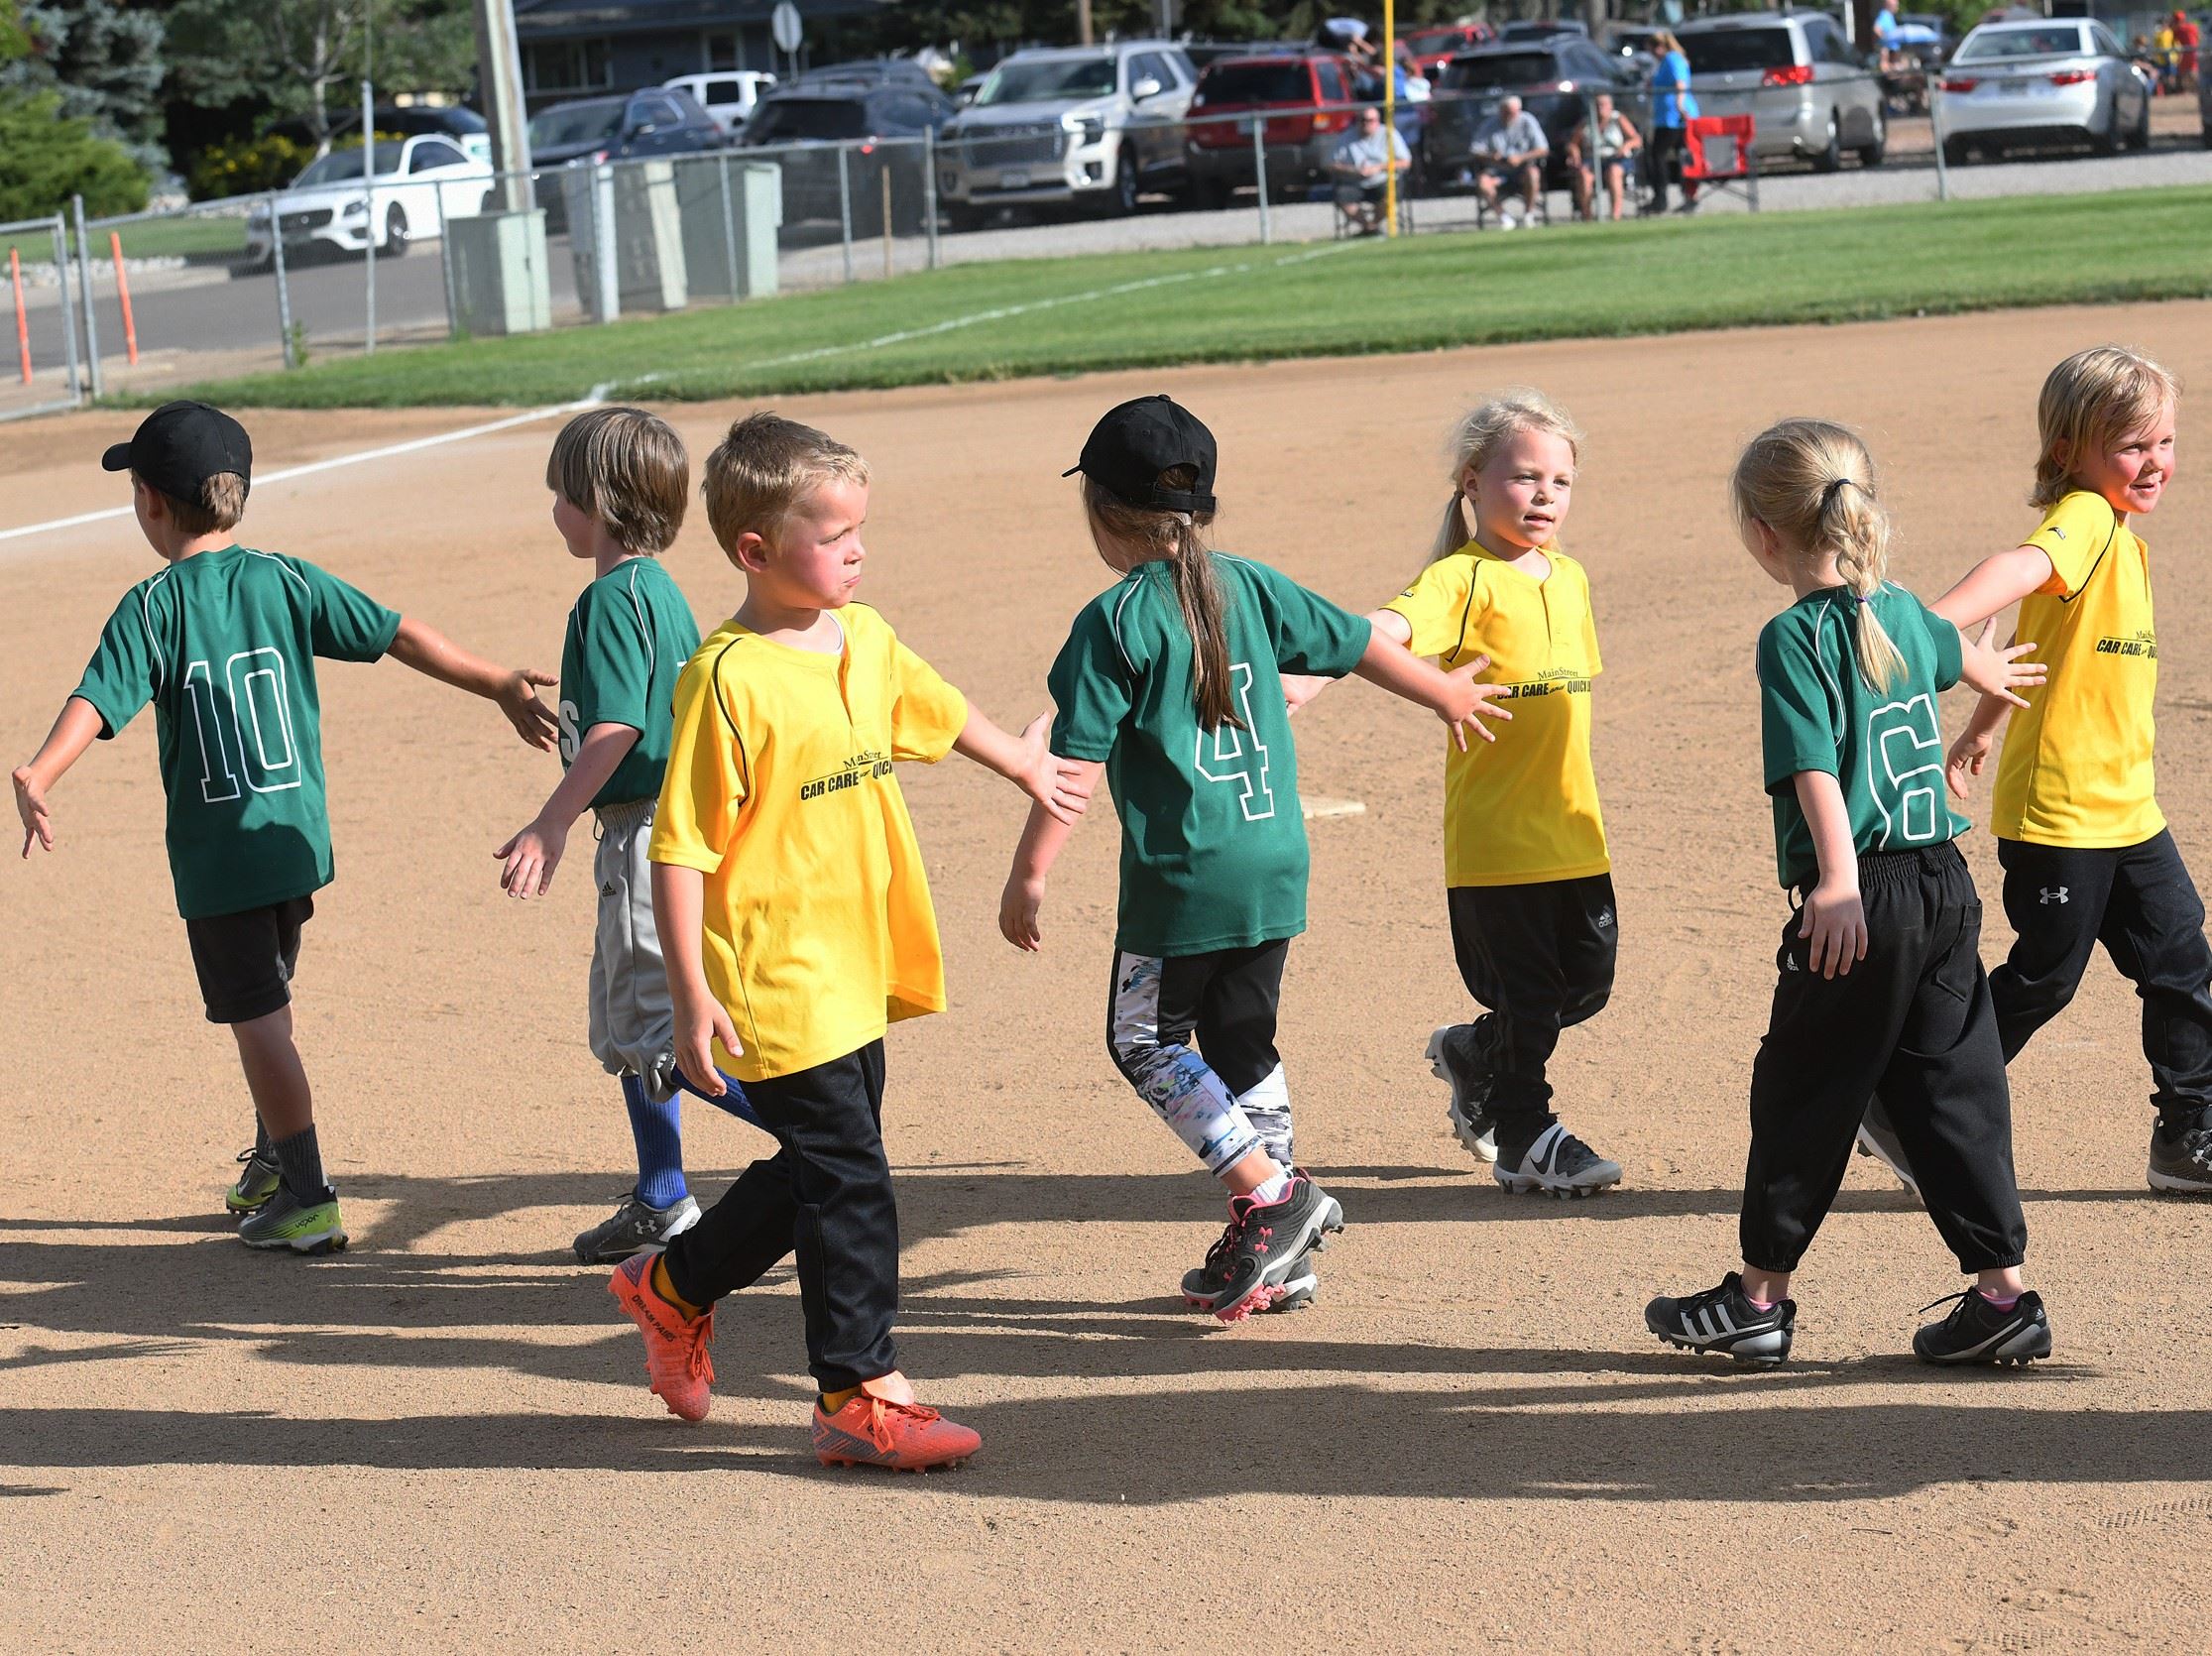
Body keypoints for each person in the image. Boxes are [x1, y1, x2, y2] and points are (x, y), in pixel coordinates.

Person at [606, 412, 1086, 1473]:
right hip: (775, 970)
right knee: (852, 1175)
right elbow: (678, 849)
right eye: (832, 534)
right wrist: (688, 993)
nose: (857, 549)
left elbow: (937, 704)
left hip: (858, 952)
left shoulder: (860, 637)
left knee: (825, 1161)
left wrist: (1020, 763)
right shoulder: (725, 677)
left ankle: (672, 1284)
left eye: (859, 527)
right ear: (754, 550)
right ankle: (855, 1389)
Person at [11, 401, 559, 1254]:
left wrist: (40, 770)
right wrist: (493, 678)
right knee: (270, 998)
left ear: (151, 502)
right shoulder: (286, 578)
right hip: (294, 843)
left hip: (222, 859)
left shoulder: (152, 606)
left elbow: (96, 698)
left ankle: (307, 1194)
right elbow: (398, 634)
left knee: (256, 1018)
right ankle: (273, 1160)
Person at [999, 396, 1505, 1320]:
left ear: (1101, 510)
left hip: (1187, 881)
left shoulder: (1112, 622)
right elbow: (1356, 645)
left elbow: (1071, 764)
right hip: (1274, 859)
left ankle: (1274, 1197)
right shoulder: (1249, 583)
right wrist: (1441, 694)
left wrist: (1029, 874)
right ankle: (1279, 1253)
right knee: (1241, 1042)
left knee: (1144, 1039)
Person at [1645, 418, 2054, 1368]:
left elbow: (1813, 770)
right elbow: (1953, 655)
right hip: (1947, 885)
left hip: (1863, 893)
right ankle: (2002, 1296)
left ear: (1762, 532)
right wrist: (1982, 674)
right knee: (1953, 1090)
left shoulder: (1793, 636)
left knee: (1804, 1086)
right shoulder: (1905, 612)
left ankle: (1757, 1300)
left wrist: (1832, 881)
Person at [1859, 347, 2212, 1197]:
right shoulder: (2085, 519)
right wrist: (1929, 626)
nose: (2154, 461)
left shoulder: (2118, 541)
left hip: (2126, 808)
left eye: (2163, 441)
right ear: (2068, 453)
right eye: (2131, 445)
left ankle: (2189, 1131)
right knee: (2045, 976)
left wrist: (1981, 728)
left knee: (2180, 962)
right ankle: (1905, 1100)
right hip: (2060, 811)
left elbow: (2034, 655)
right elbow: (2015, 569)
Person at [1293, 391, 1623, 1198]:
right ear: (1472, 483)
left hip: (1573, 830)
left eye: (1560, 480)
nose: (1544, 494)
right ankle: (1526, 1137)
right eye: (1522, 477)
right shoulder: (1460, 580)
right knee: (1534, 998)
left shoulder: (1569, 578)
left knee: (1584, 983)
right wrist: (1308, 673)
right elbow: (1385, 629)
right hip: (1496, 839)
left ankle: (1475, 1052)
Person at [494, 407, 760, 1265]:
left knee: (656, 1029)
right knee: (636, 1027)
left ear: (601, 502)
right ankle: (660, 1194)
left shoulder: (609, 597)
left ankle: (826, 1154)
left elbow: (618, 728)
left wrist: (551, 820)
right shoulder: (656, 591)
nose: (553, 512)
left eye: (561, 495)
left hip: (641, 836)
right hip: (671, 832)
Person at [1330, 105, 1411, 235]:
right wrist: (1353, 170)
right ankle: (1369, 227)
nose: (1366, 123)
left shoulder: (1389, 134)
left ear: (1377, 121)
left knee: (1391, 195)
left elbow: (1405, 162)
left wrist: (1378, 167)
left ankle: (1373, 225)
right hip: (1355, 181)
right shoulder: (1346, 137)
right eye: (1363, 120)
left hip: (1383, 179)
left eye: (1370, 120)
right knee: (1341, 196)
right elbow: (1332, 164)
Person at [1470, 94, 1549, 226]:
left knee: (1533, 174)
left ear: (1519, 110)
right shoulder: (1489, 124)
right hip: (1498, 171)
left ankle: (1528, 216)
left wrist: (1521, 158)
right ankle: (1504, 218)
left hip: (1522, 170)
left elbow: (1543, 149)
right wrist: (1491, 156)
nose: (1508, 116)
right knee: (1483, 182)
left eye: (1512, 113)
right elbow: (1475, 150)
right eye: (1505, 113)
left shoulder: (1528, 121)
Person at [1646, 29, 1699, 214]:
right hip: (1667, 117)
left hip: (1674, 118)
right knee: (1680, 156)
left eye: (1653, 49)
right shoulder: (1663, 63)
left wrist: (1680, 107)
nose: (1652, 54)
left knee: (1658, 156)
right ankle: (1687, 197)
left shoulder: (1672, 59)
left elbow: (1680, 84)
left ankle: (1662, 199)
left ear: (1660, 46)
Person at [1567, 92, 1642, 222]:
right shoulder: (1586, 122)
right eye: (1596, 105)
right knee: (1584, 175)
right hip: (1592, 158)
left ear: (1610, 106)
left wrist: (1626, 146)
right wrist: (1574, 152)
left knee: (1614, 172)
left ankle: (1615, 216)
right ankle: (1587, 216)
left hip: (1616, 157)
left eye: (1603, 104)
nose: (1599, 108)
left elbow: (1637, 139)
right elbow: (1572, 143)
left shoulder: (1617, 119)